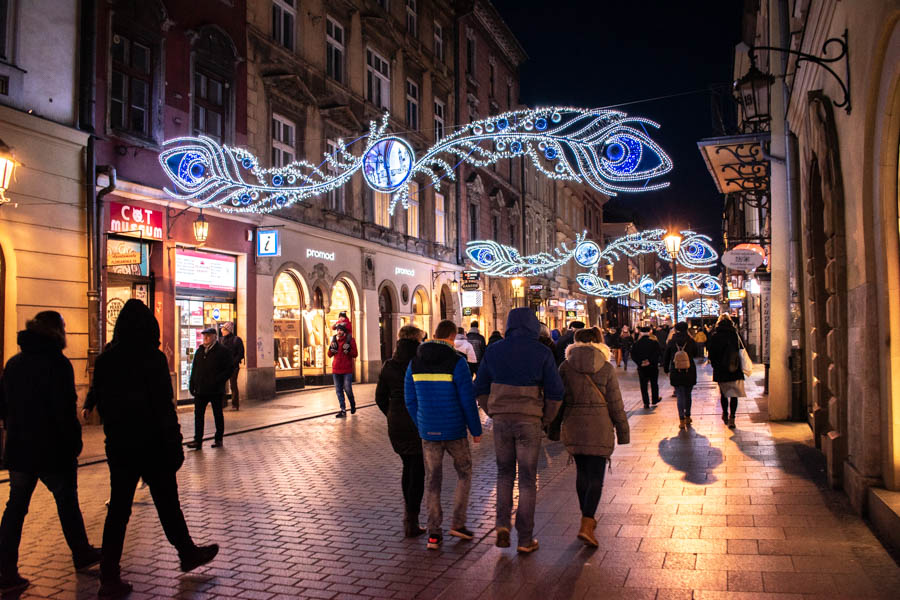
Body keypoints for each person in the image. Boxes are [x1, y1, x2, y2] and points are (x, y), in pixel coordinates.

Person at [86, 300, 218, 598]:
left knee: (118, 511)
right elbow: (163, 407)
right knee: (168, 505)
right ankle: (187, 553)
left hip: (120, 446)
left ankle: (109, 575)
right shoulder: (153, 358)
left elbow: (103, 403)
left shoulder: (107, 360)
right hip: (152, 445)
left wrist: (113, 431)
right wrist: (174, 442)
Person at [0, 312, 100, 593]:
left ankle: (6, 570)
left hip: (20, 448)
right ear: (57, 331)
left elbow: (3, 404)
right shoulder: (57, 364)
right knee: (67, 502)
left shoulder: (14, 363)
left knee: (15, 508)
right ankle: (81, 553)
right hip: (52, 448)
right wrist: (73, 443)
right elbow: (64, 410)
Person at [474, 308, 564, 554]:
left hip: (502, 421)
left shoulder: (494, 351)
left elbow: (479, 387)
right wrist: (546, 418)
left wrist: (492, 410)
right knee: (527, 479)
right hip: (530, 420)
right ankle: (525, 538)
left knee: (504, 475)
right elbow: (556, 391)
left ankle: (502, 525)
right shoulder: (542, 352)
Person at [404, 320, 482, 551]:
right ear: (450, 337)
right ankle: (458, 523)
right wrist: (476, 431)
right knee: (464, 473)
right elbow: (468, 400)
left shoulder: (415, 362)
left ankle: (433, 534)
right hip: (455, 430)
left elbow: (410, 399)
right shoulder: (458, 362)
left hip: (429, 431)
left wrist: (421, 422)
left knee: (433, 481)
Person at [558, 327, 629, 547]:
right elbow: (615, 402)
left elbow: (559, 400)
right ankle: (587, 521)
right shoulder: (606, 367)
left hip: (574, 422)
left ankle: (586, 518)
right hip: (599, 424)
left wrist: (552, 428)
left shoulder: (565, 367)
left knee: (582, 472)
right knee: (596, 475)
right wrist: (623, 431)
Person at [375, 325, 426, 538]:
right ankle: (411, 519)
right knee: (418, 470)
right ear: (417, 341)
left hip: (396, 422)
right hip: (417, 419)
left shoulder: (390, 365)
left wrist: (391, 414)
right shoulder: (420, 363)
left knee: (408, 465)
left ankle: (409, 516)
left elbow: (380, 397)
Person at [187, 327, 233, 449]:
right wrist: (192, 383)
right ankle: (197, 440)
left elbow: (229, 369)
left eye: (208, 335)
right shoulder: (200, 351)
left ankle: (218, 439)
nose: (205, 338)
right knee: (198, 415)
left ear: (214, 337)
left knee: (217, 414)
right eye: (204, 336)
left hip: (215, 389)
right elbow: (195, 369)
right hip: (201, 389)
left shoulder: (222, 351)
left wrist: (218, 380)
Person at [707, 314, 745, 429]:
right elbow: (742, 350)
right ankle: (732, 418)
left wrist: (715, 365)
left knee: (723, 393)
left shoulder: (715, 336)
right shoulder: (735, 335)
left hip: (721, 368)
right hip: (734, 367)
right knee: (734, 394)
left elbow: (711, 354)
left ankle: (725, 413)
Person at [662, 322, 698, 429]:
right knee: (688, 394)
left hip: (676, 371)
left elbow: (666, 356)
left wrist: (666, 369)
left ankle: (681, 419)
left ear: (676, 330)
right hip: (689, 370)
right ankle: (688, 416)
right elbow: (696, 353)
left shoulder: (672, 341)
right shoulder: (690, 340)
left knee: (679, 395)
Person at [328, 323, 358, 418]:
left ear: (344, 331)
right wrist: (332, 350)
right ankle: (343, 410)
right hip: (336, 370)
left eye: (340, 330)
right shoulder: (334, 341)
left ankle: (352, 404)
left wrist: (349, 351)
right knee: (338, 390)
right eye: (337, 330)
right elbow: (329, 355)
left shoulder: (350, 340)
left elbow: (355, 354)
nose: (339, 332)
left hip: (346, 369)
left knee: (348, 389)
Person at [631, 327, 661, 409]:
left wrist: (640, 362)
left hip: (642, 368)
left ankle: (646, 402)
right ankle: (654, 399)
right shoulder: (654, 343)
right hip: (653, 367)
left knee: (643, 385)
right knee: (654, 383)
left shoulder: (636, 344)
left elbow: (633, 355)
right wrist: (650, 361)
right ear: (650, 332)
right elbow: (658, 353)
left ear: (640, 332)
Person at [219, 322, 244, 410]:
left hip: (233, 367)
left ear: (229, 330)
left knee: (233, 385)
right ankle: (223, 403)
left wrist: (233, 362)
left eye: (224, 329)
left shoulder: (237, 340)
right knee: (222, 384)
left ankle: (235, 405)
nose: (222, 330)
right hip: (223, 367)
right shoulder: (221, 340)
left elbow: (240, 354)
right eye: (222, 329)